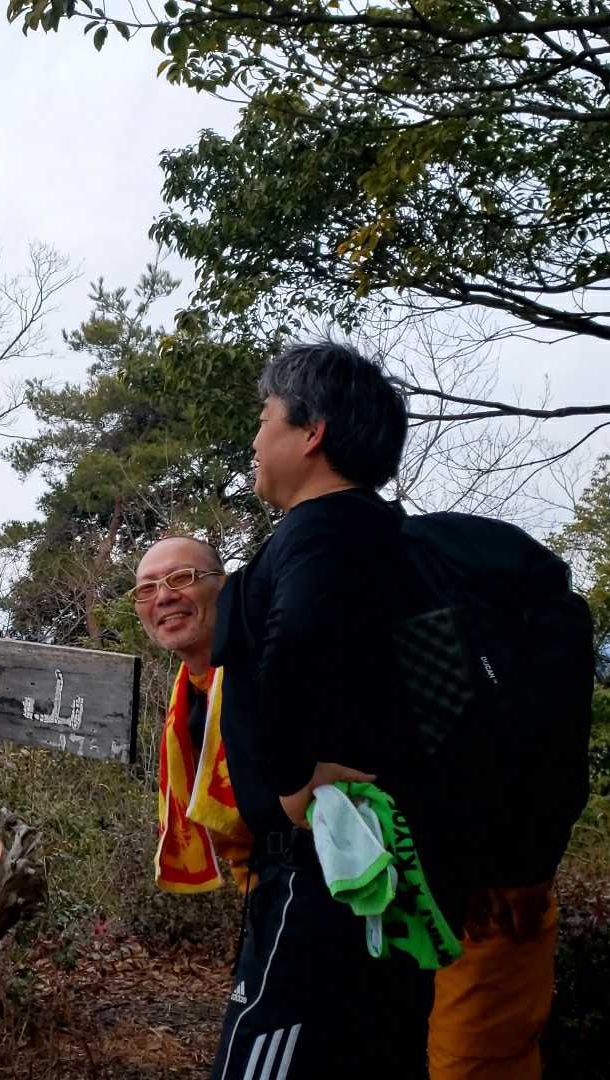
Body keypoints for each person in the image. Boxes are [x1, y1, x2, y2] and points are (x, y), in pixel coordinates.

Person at [208, 341, 447, 1079]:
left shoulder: (320, 530)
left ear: (311, 433)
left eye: (265, 419)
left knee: (263, 1055)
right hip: (379, 865)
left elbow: (299, 640)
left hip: (322, 872)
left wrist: (288, 779)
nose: (255, 440)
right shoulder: (387, 537)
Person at [134, 537, 251, 895]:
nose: (163, 597)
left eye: (182, 577)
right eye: (147, 589)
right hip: (260, 883)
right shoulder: (190, 693)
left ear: (224, 586)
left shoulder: (268, 668)